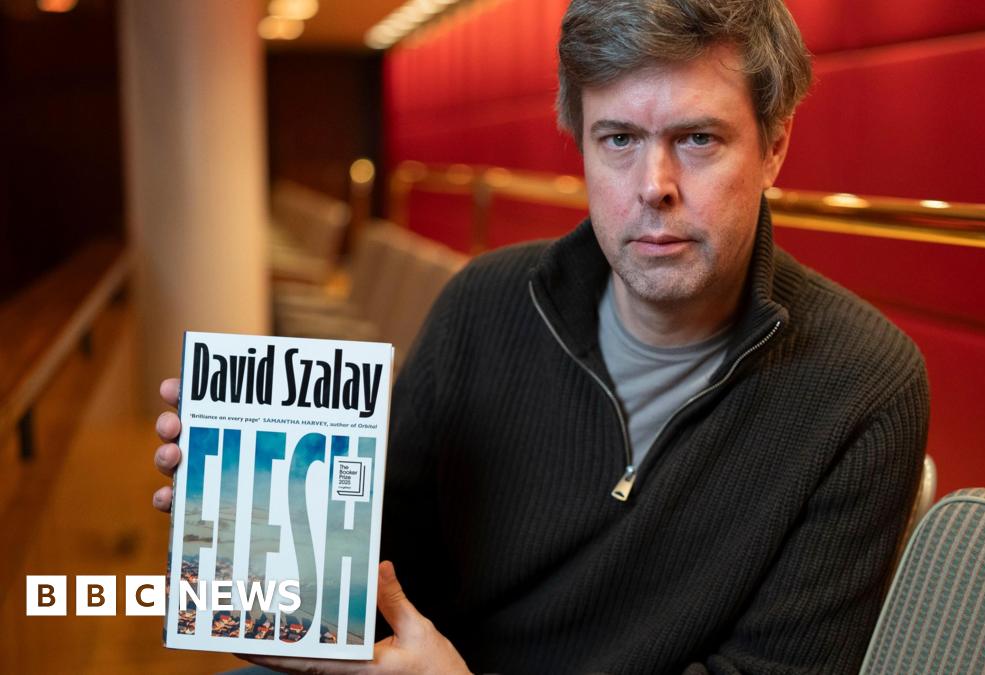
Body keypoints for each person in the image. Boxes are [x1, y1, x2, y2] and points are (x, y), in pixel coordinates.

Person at [152, 0, 929, 672]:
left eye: (698, 138)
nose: (653, 185)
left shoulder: (864, 386)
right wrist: (252, 514)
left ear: (774, 147)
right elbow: (382, 560)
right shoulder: (484, 303)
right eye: (618, 139)